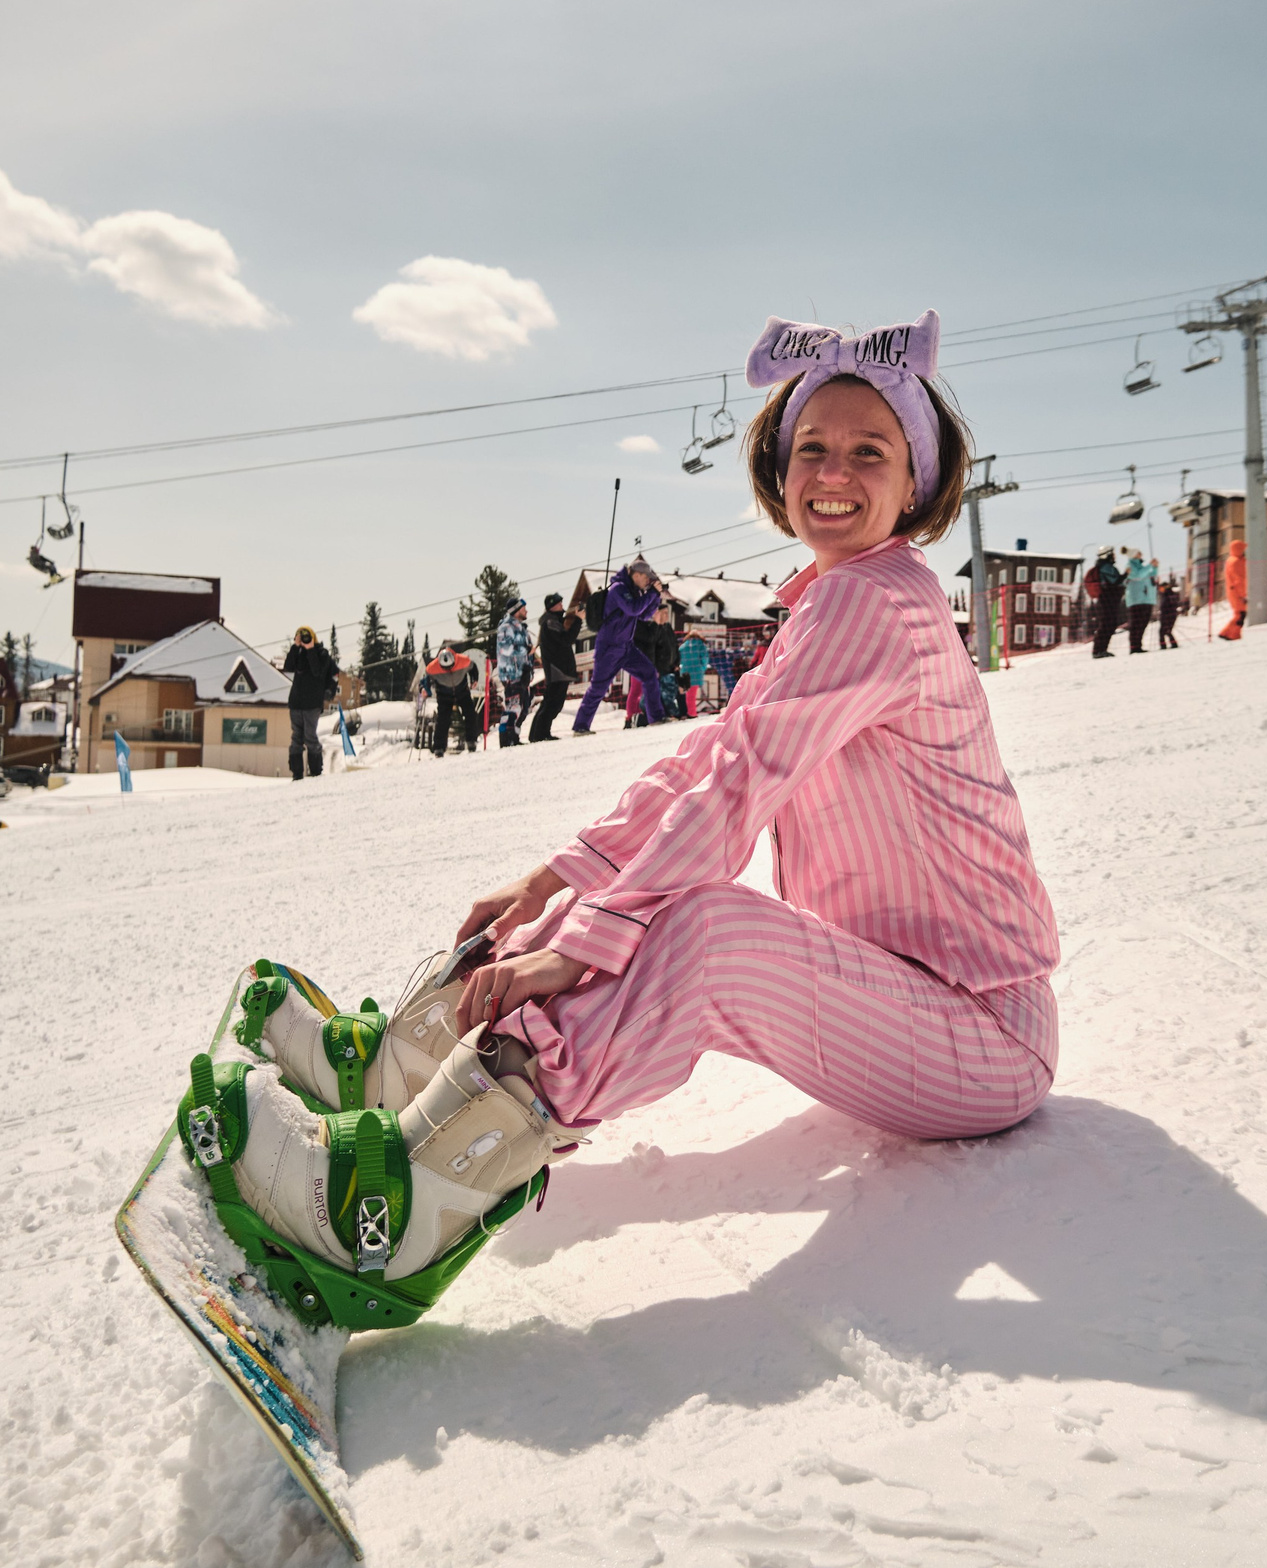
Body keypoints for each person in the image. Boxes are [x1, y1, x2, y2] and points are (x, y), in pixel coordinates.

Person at [191, 310, 1059, 1300]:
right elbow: (708, 758)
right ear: (777, 467)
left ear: (919, 483)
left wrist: (594, 933)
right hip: (902, 996)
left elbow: (743, 782)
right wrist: (560, 879)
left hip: (980, 1034)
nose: (833, 472)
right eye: (811, 447)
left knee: (694, 930)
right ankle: (397, 1079)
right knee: (608, 902)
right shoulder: (833, 598)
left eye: (871, 452)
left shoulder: (876, 604)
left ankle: (400, 1212)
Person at [571, 560, 668, 735]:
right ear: (636, 574)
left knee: (649, 673)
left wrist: (655, 596)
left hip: (626, 646)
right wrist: (651, 592)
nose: (648, 581)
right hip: (609, 647)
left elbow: (644, 615)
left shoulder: (634, 591)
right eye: (647, 578)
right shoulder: (619, 589)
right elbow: (633, 609)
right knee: (598, 687)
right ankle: (580, 726)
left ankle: (656, 718)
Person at [279, 625, 338, 780]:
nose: (304, 639)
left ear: (313, 637)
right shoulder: (297, 653)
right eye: (300, 636)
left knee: (310, 736)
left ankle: (316, 772)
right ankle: (297, 774)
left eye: (306, 636)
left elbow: (317, 671)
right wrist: (295, 646)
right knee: (296, 737)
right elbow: (288, 667)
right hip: (296, 702)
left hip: (312, 703)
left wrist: (311, 649)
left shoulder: (322, 653)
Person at [529, 593, 579, 742]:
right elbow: (566, 639)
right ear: (553, 606)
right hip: (557, 669)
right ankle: (540, 735)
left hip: (557, 669)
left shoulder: (553, 621)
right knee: (552, 703)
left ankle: (539, 734)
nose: (562, 606)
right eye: (559, 604)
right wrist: (578, 621)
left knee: (551, 702)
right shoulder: (551, 623)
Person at [421, 642, 480, 756]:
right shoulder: (433, 667)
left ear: (454, 661)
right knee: (443, 719)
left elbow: (473, 668)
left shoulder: (463, 661)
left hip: (462, 691)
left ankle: (471, 741)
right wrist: (424, 690)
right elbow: (425, 681)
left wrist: (474, 679)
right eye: (445, 668)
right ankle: (439, 747)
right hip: (444, 695)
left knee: (470, 713)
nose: (448, 670)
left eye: (450, 667)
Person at [494, 597, 534, 747]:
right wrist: (526, 649)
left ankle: (514, 736)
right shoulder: (506, 627)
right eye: (523, 608)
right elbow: (506, 648)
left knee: (524, 707)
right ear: (517, 610)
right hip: (511, 673)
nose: (526, 611)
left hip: (522, 672)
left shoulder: (521, 627)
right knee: (514, 706)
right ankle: (506, 738)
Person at [1088, 549, 1124, 658]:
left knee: (1110, 623)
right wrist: (1126, 574)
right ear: (1107, 555)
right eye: (1112, 554)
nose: (1115, 556)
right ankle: (1099, 650)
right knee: (1107, 624)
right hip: (1108, 598)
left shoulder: (1105, 566)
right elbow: (1116, 581)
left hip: (1109, 598)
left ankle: (1101, 650)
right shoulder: (1106, 567)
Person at [1122, 551, 1158, 654]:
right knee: (1135, 624)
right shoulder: (1130, 566)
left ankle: (1138, 645)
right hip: (1135, 600)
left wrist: (1155, 567)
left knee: (1143, 623)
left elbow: (1152, 575)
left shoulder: (1142, 567)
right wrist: (1150, 565)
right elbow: (1138, 575)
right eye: (1138, 553)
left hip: (1146, 599)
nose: (1141, 555)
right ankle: (1134, 647)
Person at [1217, 536, 1249, 640]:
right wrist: (1243, 595)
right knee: (1240, 614)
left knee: (1240, 614)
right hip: (1237, 593)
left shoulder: (1232, 560)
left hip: (1233, 591)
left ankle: (1235, 635)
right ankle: (1226, 633)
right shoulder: (1236, 562)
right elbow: (1239, 580)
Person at [678, 630, 713, 713]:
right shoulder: (701, 645)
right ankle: (692, 713)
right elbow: (705, 658)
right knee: (692, 695)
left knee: (686, 695)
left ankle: (687, 712)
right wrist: (703, 668)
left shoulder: (682, 646)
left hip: (685, 671)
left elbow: (679, 659)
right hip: (697, 671)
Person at [1155, 577, 1181, 649]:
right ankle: (1173, 644)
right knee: (1167, 631)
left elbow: (1166, 607)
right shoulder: (1170, 594)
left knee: (1163, 631)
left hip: (1167, 616)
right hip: (1171, 616)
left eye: (1162, 588)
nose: (1161, 590)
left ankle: (1164, 645)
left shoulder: (1167, 596)